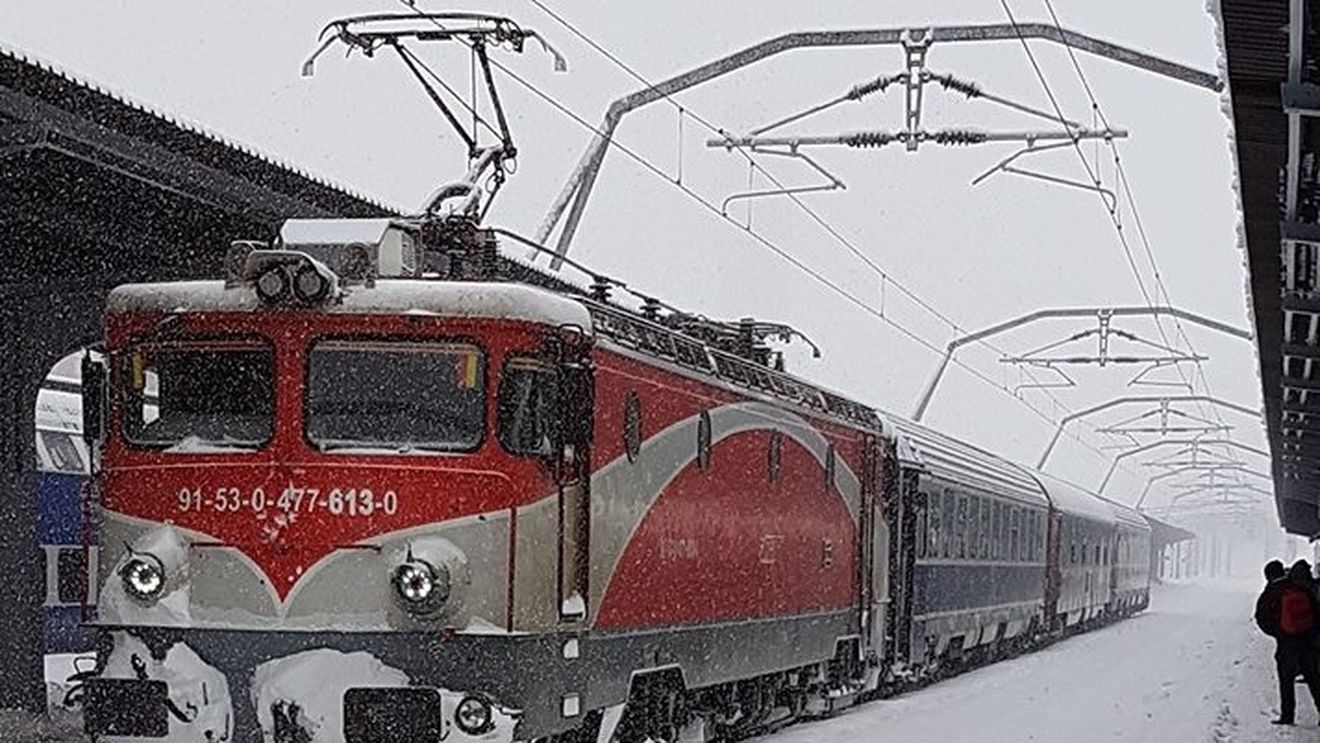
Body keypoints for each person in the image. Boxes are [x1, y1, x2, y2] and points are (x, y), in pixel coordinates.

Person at [1256, 559, 1320, 725]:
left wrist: (1279, 633)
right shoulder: (1299, 587)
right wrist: (1310, 634)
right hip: (1308, 643)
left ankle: (1287, 716)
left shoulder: (1271, 592)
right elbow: (1316, 611)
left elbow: (1261, 618)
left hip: (1286, 645)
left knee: (1286, 681)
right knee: (1314, 680)